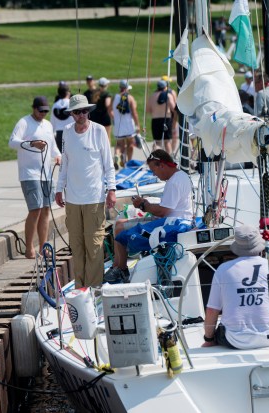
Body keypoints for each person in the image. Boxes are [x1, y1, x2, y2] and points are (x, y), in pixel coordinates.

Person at [202, 225, 269, 349]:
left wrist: (209, 340)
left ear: (237, 248)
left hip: (235, 340)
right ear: (260, 247)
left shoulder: (223, 270)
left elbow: (212, 310)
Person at [104, 149, 193, 283]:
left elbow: (163, 212)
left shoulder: (174, 182)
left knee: (120, 228)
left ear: (161, 165)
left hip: (170, 224)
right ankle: (117, 266)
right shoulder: (181, 176)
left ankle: (121, 269)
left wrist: (143, 205)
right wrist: (145, 204)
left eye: (154, 170)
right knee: (120, 223)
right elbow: (166, 209)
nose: (153, 174)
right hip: (175, 221)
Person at [55, 94, 116, 288]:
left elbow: (109, 164)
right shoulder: (66, 132)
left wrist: (111, 189)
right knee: (77, 246)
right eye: (77, 112)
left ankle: (94, 288)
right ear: (71, 114)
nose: (81, 115)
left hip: (94, 198)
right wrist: (58, 189)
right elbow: (64, 163)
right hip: (72, 200)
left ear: (88, 112)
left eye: (84, 111)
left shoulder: (98, 131)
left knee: (95, 246)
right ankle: (81, 288)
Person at [9, 96, 61, 259]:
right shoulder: (24, 122)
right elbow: (12, 142)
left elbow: (52, 146)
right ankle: (29, 247)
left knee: (46, 209)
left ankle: (43, 246)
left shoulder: (48, 125)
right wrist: (31, 143)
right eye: (41, 111)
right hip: (29, 173)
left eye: (46, 111)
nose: (43, 114)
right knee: (35, 208)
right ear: (34, 108)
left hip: (46, 172)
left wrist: (58, 156)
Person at [112, 80, 140, 170]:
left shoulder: (114, 97)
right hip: (129, 126)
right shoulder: (130, 98)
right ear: (127, 88)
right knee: (130, 144)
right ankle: (129, 161)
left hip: (118, 126)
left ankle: (117, 156)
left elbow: (109, 110)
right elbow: (134, 113)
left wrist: (114, 118)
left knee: (119, 145)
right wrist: (137, 125)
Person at [147, 80, 177, 155]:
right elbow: (173, 109)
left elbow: (148, 110)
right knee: (167, 141)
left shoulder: (152, 96)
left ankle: (156, 158)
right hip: (166, 119)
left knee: (157, 142)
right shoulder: (168, 95)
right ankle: (169, 158)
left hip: (155, 120)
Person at [50, 82, 74, 153]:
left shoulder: (55, 105)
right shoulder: (71, 103)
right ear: (67, 93)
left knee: (62, 156)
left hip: (59, 135)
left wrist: (52, 133)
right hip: (71, 132)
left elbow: (52, 121)